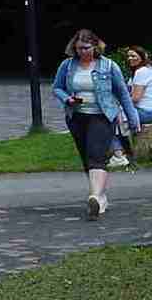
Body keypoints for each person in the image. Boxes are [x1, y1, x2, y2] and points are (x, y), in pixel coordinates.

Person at [51, 30, 141, 220]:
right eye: (78, 48)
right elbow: (56, 88)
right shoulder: (67, 66)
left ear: (95, 46)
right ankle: (100, 196)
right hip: (77, 117)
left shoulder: (109, 66)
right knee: (87, 157)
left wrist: (133, 120)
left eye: (86, 48)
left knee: (96, 155)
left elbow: (123, 94)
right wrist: (67, 99)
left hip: (102, 116)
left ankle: (94, 197)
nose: (82, 52)